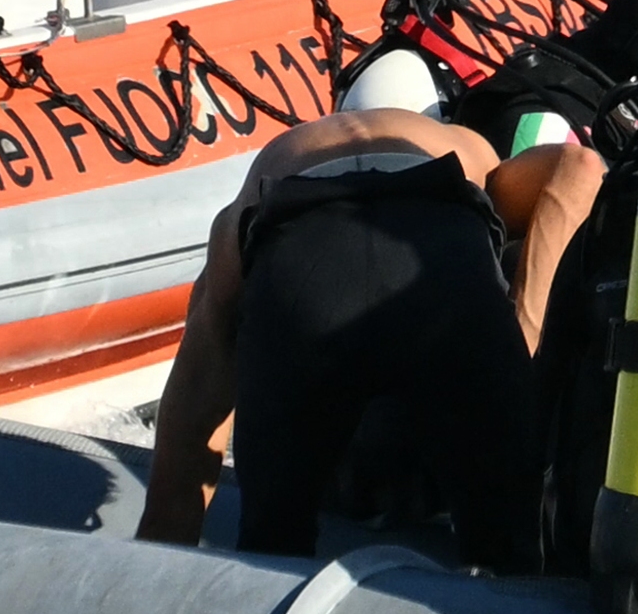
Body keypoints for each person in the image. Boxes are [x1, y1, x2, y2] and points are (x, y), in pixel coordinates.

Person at [134, 51, 571, 562]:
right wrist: (528, 324)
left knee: (271, 552)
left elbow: (201, 387)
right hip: (438, 249)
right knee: (510, 551)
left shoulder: (285, 154)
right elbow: (579, 166)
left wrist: (162, 536)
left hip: (299, 254)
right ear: (435, 114)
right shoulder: (462, 144)